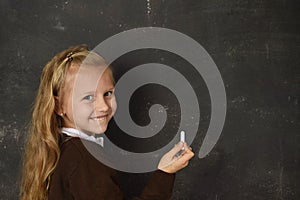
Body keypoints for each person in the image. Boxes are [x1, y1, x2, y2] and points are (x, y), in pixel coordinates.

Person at [20, 45, 194, 200]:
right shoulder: (84, 158)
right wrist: (165, 173)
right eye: (88, 97)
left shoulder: (63, 148)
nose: (103, 106)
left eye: (108, 93)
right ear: (59, 106)